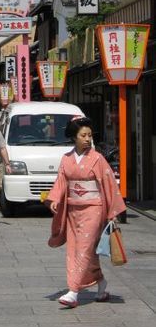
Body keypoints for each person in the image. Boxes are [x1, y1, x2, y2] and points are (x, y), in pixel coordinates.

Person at [46, 116, 126, 308]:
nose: (87, 139)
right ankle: (101, 284)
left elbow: (108, 184)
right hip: (73, 210)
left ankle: (73, 291)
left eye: (89, 135)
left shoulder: (97, 159)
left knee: (83, 248)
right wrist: (55, 199)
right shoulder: (66, 159)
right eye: (83, 135)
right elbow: (61, 182)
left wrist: (112, 212)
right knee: (77, 249)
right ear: (74, 137)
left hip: (94, 208)